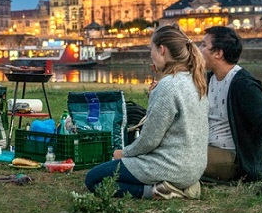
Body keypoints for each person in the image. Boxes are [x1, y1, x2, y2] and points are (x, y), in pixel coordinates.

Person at [85, 25, 208, 199]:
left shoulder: (168, 85)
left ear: (162, 50)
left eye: (151, 48)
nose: (150, 54)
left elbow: (149, 140)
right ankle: (173, 186)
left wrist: (124, 153)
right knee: (111, 171)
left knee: (94, 179)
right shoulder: (195, 80)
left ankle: (160, 192)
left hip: (172, 166)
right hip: (193, 167)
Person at [198, 26, 262, 182]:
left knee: (183, 157)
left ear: (218, 53)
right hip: (206, 148)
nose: (199, 50)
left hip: (234, 159)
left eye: (204, 45)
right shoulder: (208, 79)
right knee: (173, 152)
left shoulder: (244, 84)